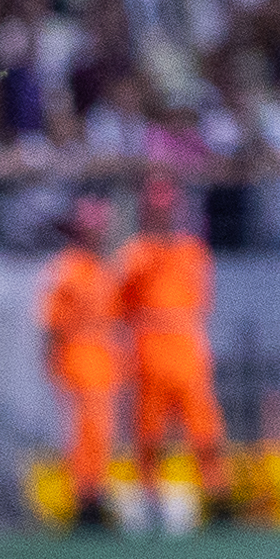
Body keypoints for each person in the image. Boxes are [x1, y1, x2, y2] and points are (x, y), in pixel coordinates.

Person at [115, 168, 221, 531]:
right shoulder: (134, 254)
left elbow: (202, 301)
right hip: (150, 351)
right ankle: (150, 498)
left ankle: (216, 494)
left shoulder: (193, 252)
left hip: (187, 350)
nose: (163, 215)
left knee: (204, 427)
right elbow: (123, 306)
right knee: (148, 432)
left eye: (168, 209)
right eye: (156, 209)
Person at [37, 191, 126, 528]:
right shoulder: (66, 268)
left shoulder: (102, 267)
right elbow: (51, 321)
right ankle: (84, 497)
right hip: (78, 355)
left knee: (100, 429)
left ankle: (94, 494)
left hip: (101, 356)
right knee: (85, 428)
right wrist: (53, 361)